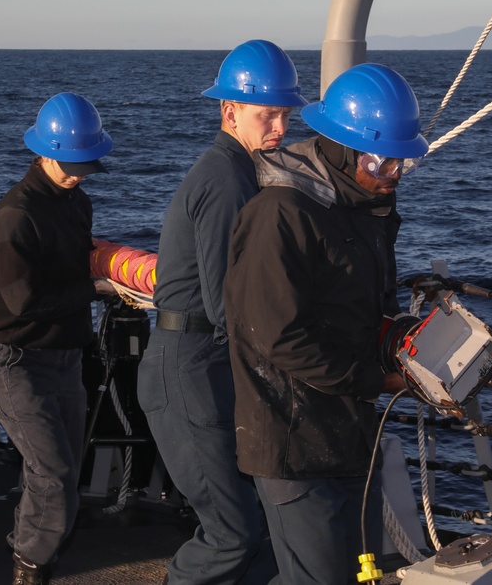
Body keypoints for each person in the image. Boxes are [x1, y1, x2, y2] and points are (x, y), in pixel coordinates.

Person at [222, 63, 429, 585]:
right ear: (340, 148)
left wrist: (403, 338)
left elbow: (363, 307)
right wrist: (380, 382)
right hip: (293, 439)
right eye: (382, 163)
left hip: (348, 433)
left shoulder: (365, 207)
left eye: (401, 163)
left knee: (354, 571)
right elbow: (277, 336)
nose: (392, 176)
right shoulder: (280, 213)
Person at [135, 39, 308, 585]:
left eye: (285, 114)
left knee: (249, 526)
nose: (280, 127)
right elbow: (224, 303)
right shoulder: (227, 181)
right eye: (268, 115)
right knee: (233, 532)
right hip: (188, 373)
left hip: (197, 368)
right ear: (230, 112)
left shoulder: (234, 171)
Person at [0, 92, 116, 585]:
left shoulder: (77, 202)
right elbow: (22, 302)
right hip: (14, 361)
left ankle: (37, 554)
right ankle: (29, 566)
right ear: (45, 152)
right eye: (73, 163)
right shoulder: (16, 214)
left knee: (60, 472)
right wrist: (95, 287)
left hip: (64, 358)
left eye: (86, 163)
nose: (80, 173)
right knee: (52, 476)